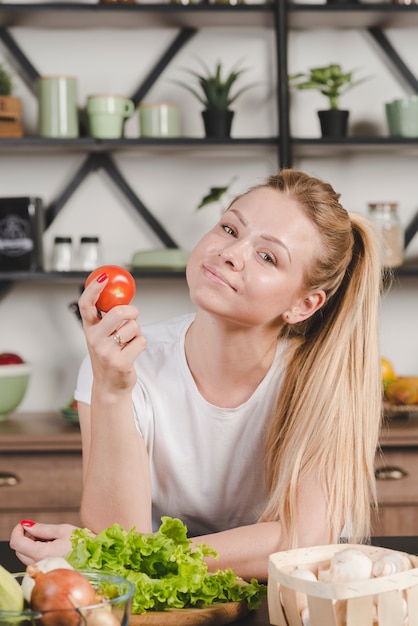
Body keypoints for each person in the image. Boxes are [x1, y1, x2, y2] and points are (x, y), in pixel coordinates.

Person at [10, 169, 383, 582]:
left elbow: (304, 541)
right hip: (174, 603)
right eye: (229, 228)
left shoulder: (322, 380)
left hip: (292, 602)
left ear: (303, 305)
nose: (231, 252)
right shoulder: (126, 362)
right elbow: (116, 533)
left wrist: (126, 555)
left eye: (267, 256)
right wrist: (113, 391)